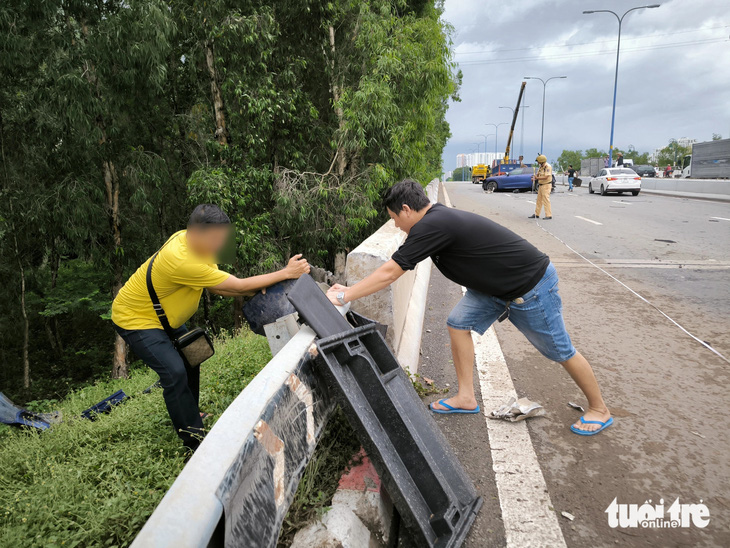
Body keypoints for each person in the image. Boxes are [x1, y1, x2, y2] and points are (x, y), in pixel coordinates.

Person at [326, 180, 612, 435]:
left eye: (394, 220)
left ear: (406, 209)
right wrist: (350, 290)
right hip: (495, 288)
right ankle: (466, 397)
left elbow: (391, 272)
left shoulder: (431, 225)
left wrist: (346, 294)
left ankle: (599, 409)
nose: (397, 227)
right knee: (458, 323)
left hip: (529, 286)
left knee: (559, 350)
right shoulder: (435, 219)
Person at [111, 204, 310, 451]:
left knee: (191, 357)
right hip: (136, 318)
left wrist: (260, 287)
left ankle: (191, 413)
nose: (219, 245)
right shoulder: (179, 259)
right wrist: (285, 272)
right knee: (174, 373)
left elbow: (218, 287)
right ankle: (193, 440)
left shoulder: (196, 246)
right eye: (215, 239)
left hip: (164, 316)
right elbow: (236, 285)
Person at [529, 155, 553, 219]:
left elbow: (546, 177)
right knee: (539, 200)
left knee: (546, 200)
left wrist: (537, 178)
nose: (538, 163)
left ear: (542, 161)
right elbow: (537, 175)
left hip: (546, 185)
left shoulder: (548, 167)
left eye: (539, 162)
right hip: (541, 185)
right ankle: (537, 214)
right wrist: (534, 178)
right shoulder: (541, 167)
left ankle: (548, 215)